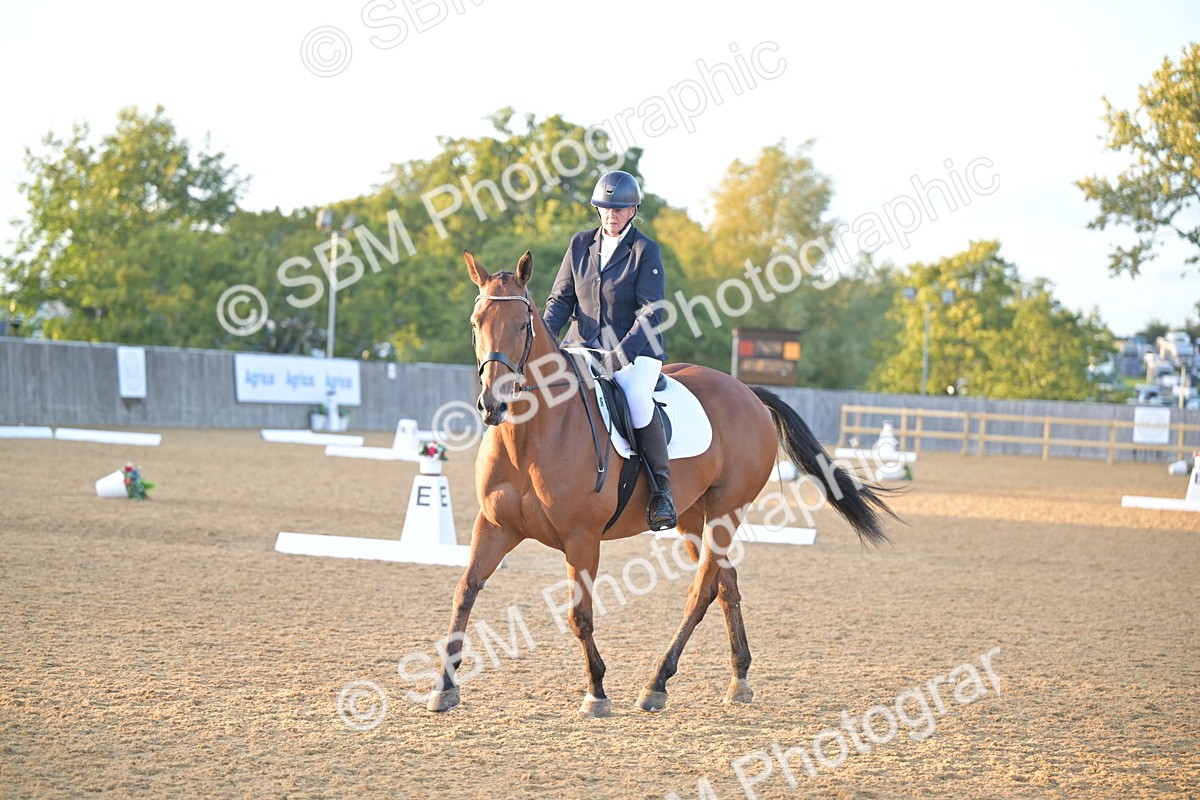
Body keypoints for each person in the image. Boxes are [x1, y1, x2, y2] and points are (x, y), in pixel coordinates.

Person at [542, 170, 677, 531]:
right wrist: (544, 340)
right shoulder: (580, 244)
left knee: (636, 400)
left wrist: (618, 355)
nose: (611, 215)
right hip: (580, 348)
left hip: (635, 353)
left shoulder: (645, 250)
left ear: (633, 210)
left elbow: (652, 312)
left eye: (618, 209)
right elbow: (560, 300)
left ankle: (661, 491)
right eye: (604, 208)